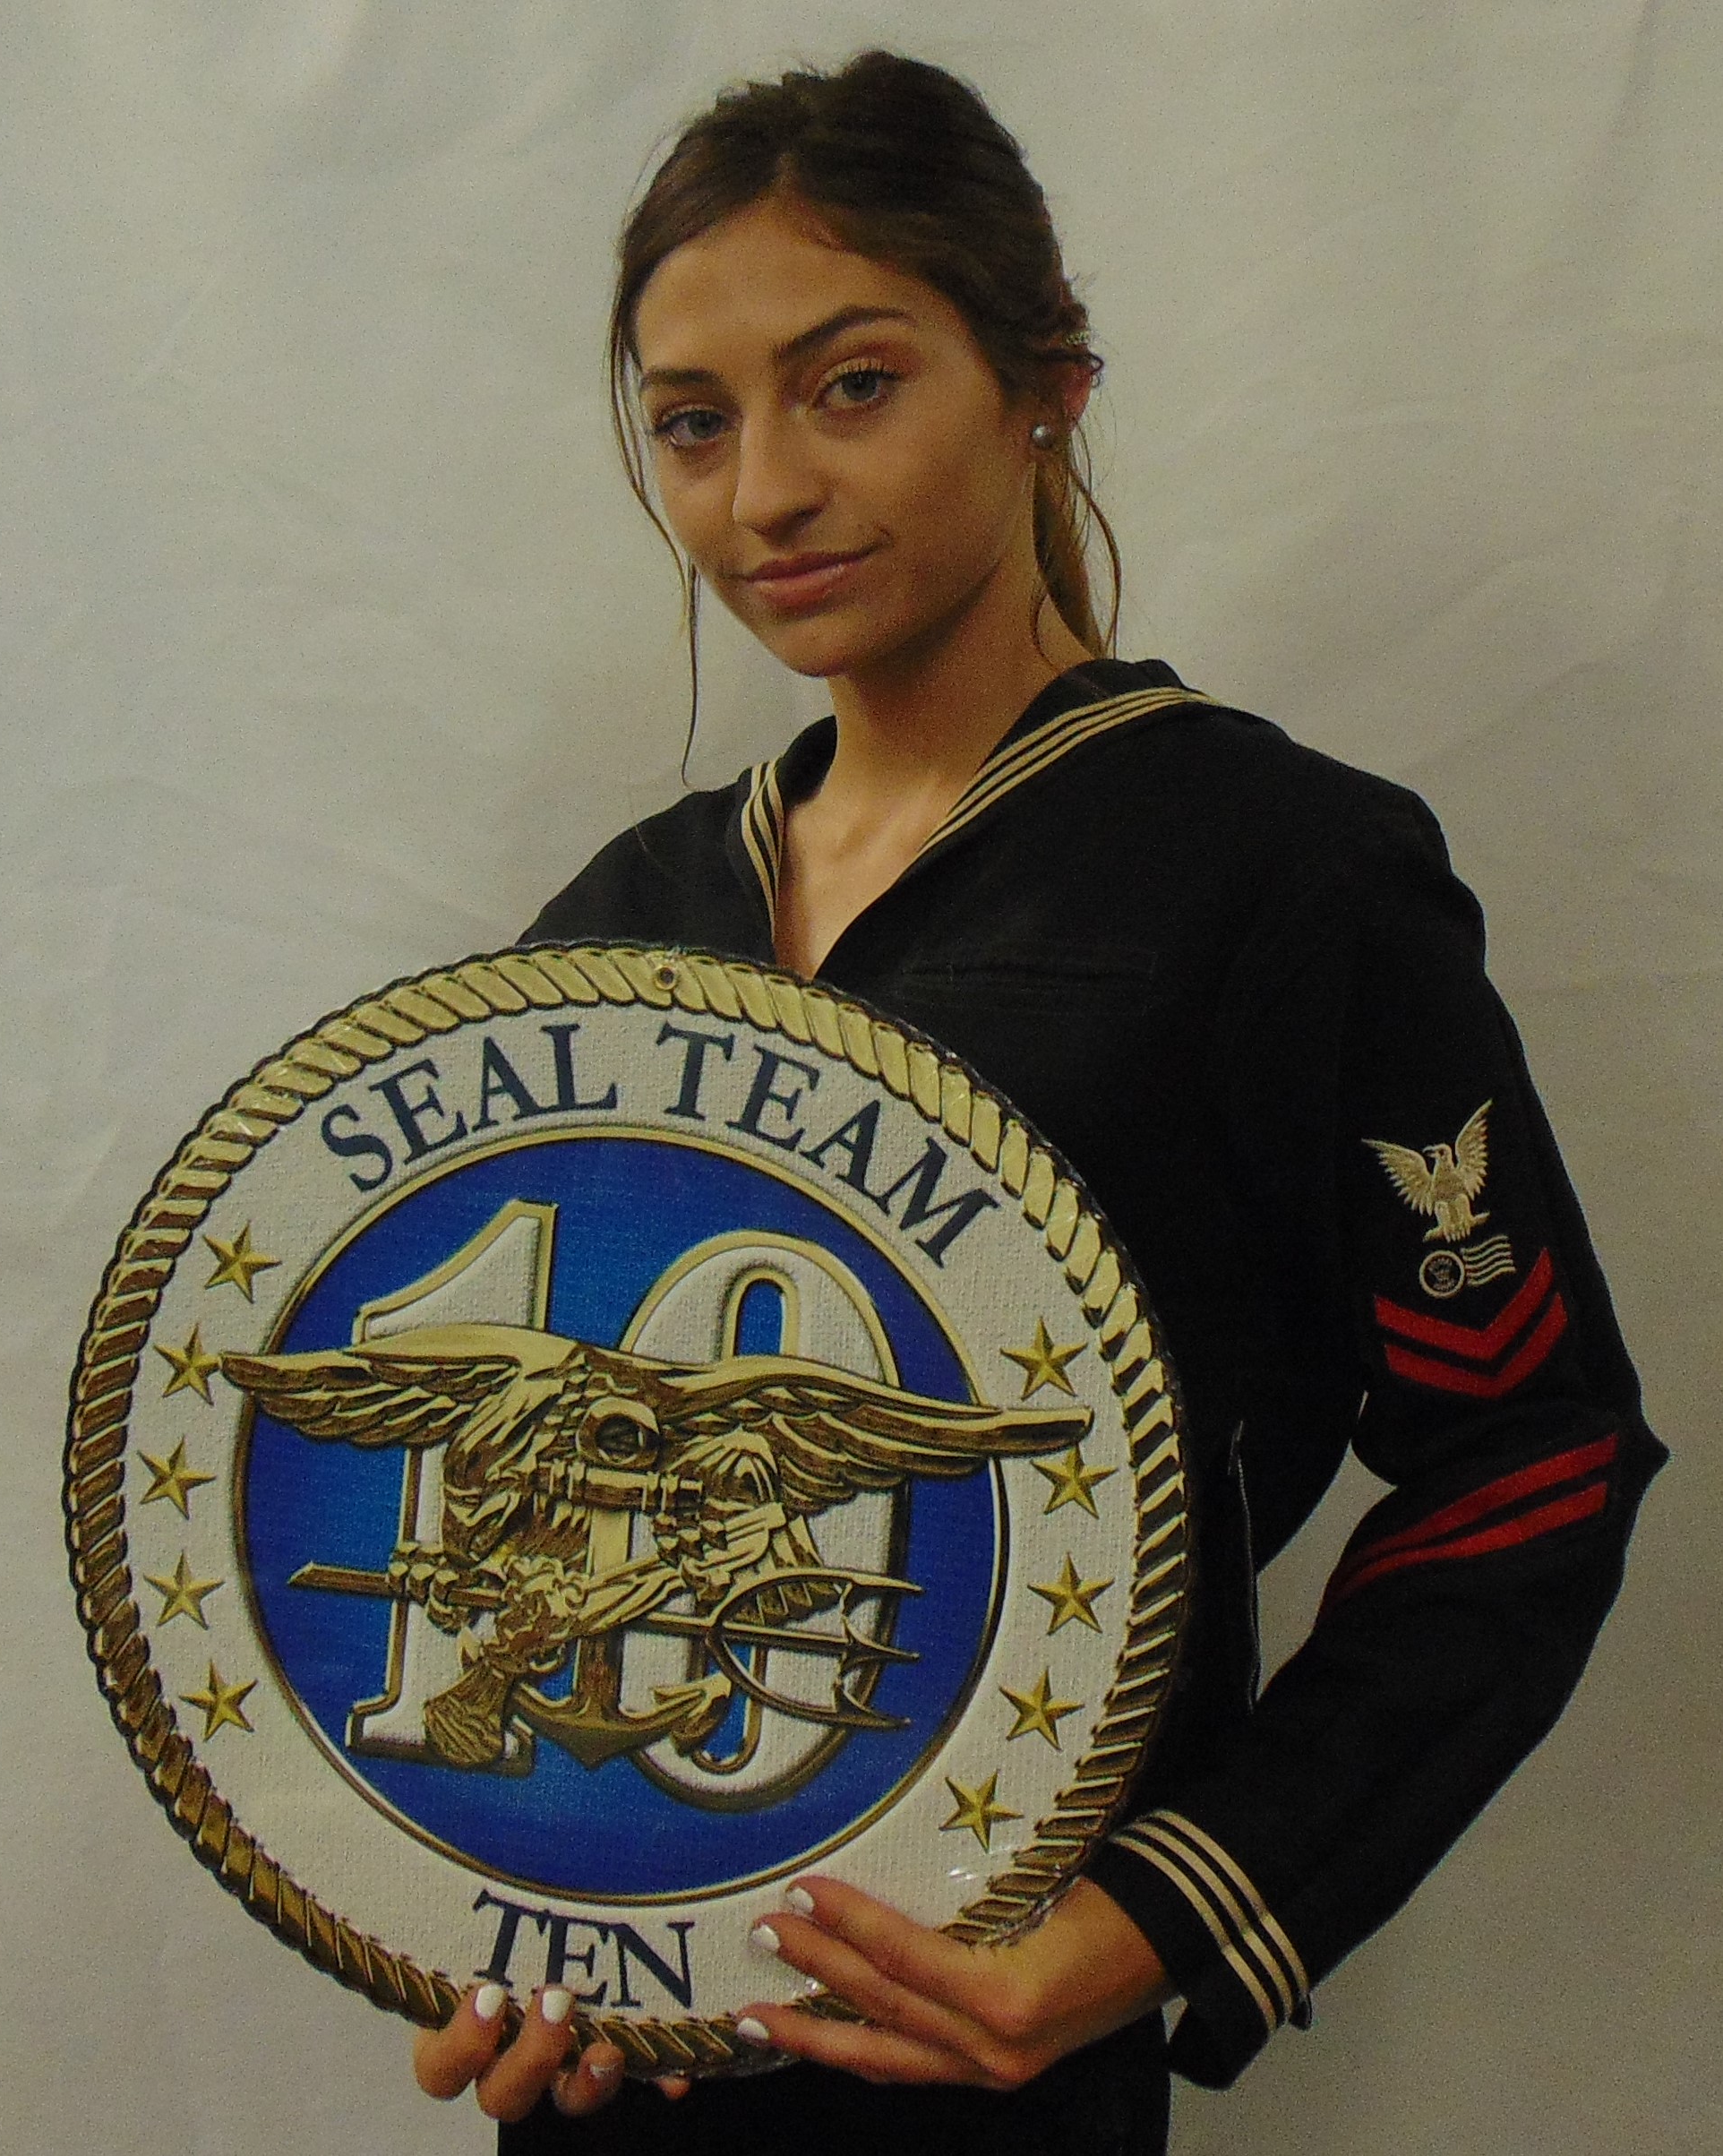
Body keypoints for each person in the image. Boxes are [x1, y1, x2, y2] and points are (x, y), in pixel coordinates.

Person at [408, 50, 1665, 2156]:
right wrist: (487, 1904)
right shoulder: (620, 924)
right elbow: (483, 1482)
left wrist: (1154, 1916)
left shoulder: (1277, 873)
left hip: (989, 2084)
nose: (766, 492)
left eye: (853, 385)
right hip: (629, 2061)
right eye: (694, 425)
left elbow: (1531, 1450)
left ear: (1044, 384)